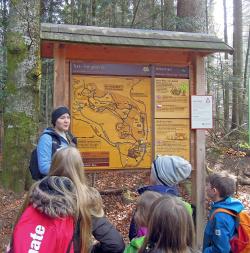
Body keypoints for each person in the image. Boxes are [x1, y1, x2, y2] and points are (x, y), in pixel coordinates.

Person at [10, 147, 125, 253]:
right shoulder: (85, 198)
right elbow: (115, 244)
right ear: (80, 168)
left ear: (54, 164)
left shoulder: (36, 190)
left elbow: (20, 227)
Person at [129, 155, 193, 241]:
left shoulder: (147, 202)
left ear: (159, 176)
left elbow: (133, 234)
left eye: (152, 172)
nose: (150, 174)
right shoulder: (181, 205)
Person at [203, 171, 244, 253]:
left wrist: (206, 251)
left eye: (207, 185)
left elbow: (221, 250)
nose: (205, 188)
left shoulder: (221, 217)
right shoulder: (227, 203)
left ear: (214, 191)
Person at [37, 106, 77, 176]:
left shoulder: (71, 138)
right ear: (55, 121)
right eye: (62, 118)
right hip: (53, 183)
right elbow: (44, 167)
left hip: (69, 181)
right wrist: (67, 171)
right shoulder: (46, 138)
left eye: (68, 117)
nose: (66, 121)